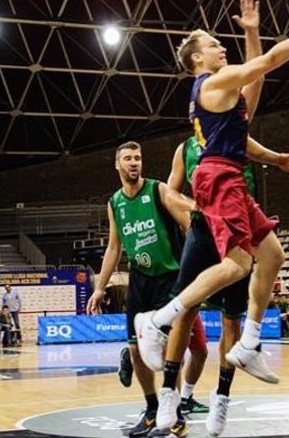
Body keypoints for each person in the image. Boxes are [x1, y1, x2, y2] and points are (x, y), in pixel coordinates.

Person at [135, 0, 289, 399]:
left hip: (228, 173)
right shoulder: (213, 82)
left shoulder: (221, 95)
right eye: (214, 44)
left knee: (273, 254)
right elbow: (267, 63)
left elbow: (252, 94)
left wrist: (252, 32)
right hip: (220, 179)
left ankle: (249, 342)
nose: (222, 46)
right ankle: (158, 321)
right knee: (238, 264)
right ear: (197, 59)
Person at [155, 120, 289, 431]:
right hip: (203, 229)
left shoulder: (235, 137)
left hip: (237, 227)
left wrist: (276, 158)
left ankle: (221, 397)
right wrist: (194, 204)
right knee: (186, 311)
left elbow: (255, 155)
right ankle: (169, 391)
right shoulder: (185, 149)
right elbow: (169, 193)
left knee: (232, 318)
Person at [87, 141, 194, 437]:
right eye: (128, 159)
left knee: (171, 348)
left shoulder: (158, 190)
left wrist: (193, 263)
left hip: (169, 278)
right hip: (139, 280)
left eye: (138, 158)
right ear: (117, 164)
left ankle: (176, 415)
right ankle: (151, 409)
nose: (134, 163)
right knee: (135, 349)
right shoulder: (115, 203)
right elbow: (113, 246)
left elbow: (187, 225)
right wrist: (100, 287)